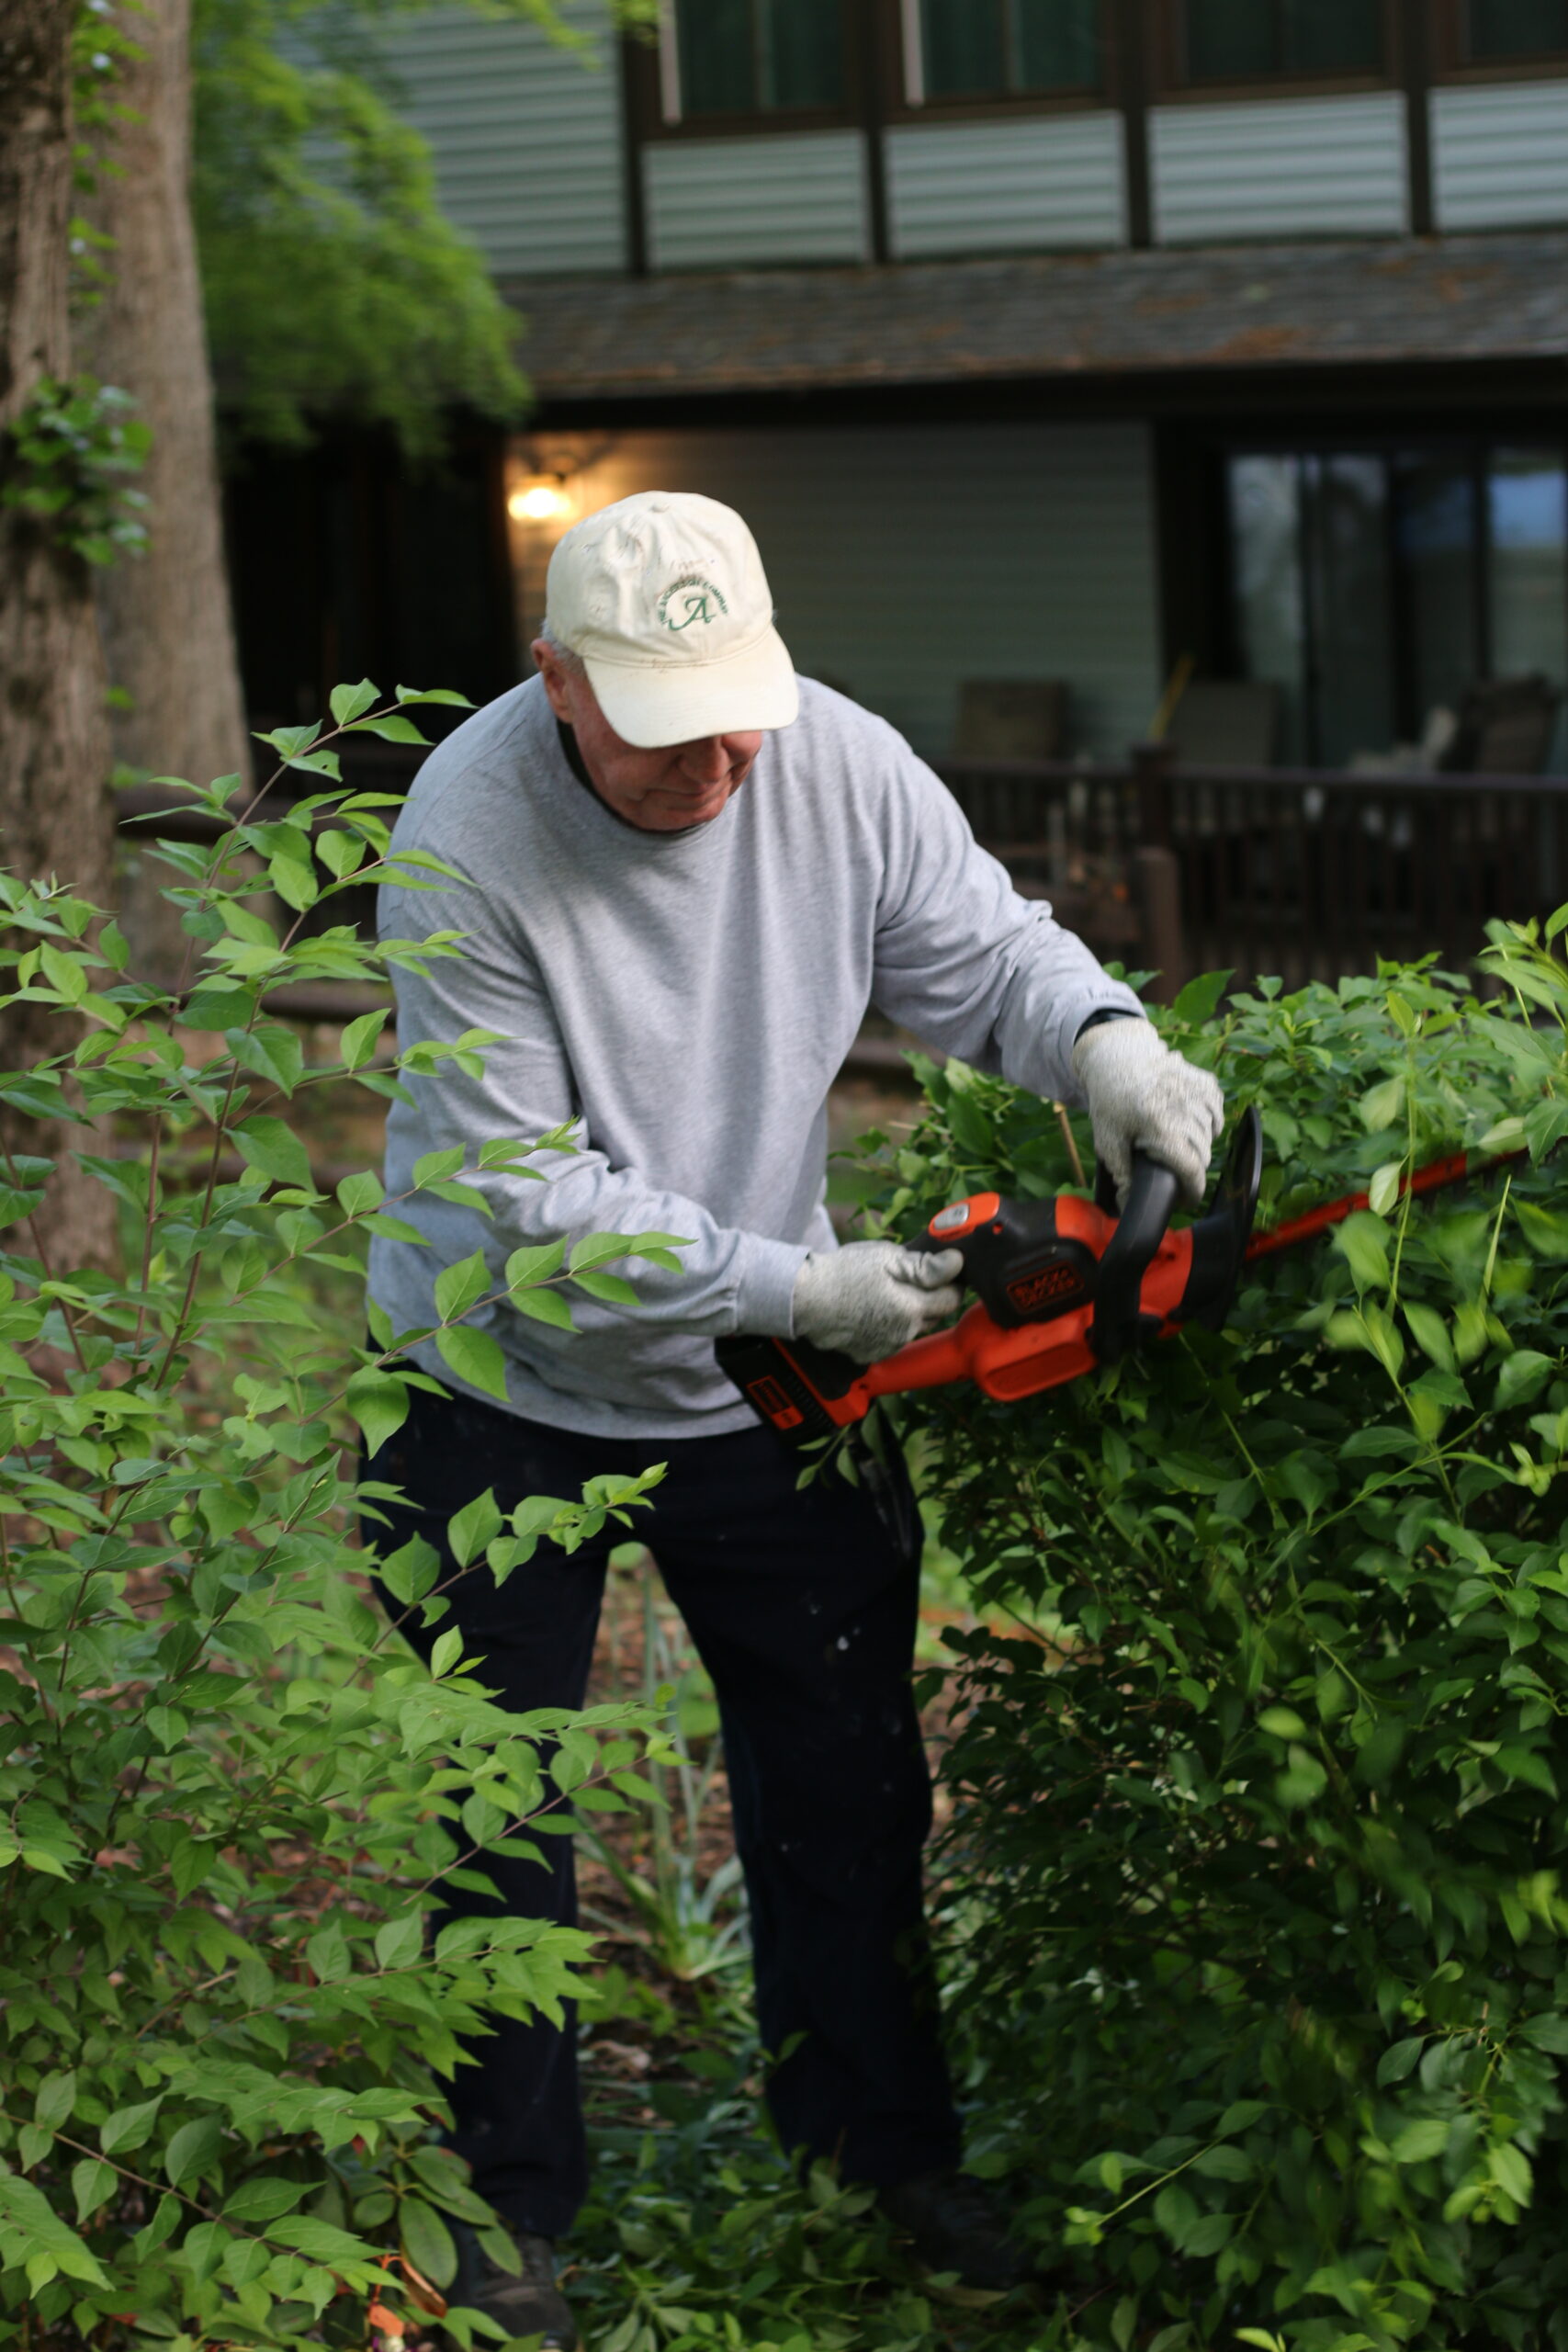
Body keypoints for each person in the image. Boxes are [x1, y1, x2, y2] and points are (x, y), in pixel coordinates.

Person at [367, 492, 1224, 2348]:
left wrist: (1100, 1042)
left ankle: (878, 2153)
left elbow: (980, 952)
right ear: (557, 683)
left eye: (738, 707)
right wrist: (796, 1282)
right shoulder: (461, 832)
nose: (717, 760)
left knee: (841, 1770)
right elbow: (524, 1194)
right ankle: (505, 2219)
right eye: (666, 727)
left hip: (763, 1379)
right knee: (492, 1814)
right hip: (488, 1382)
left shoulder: (830, 761)